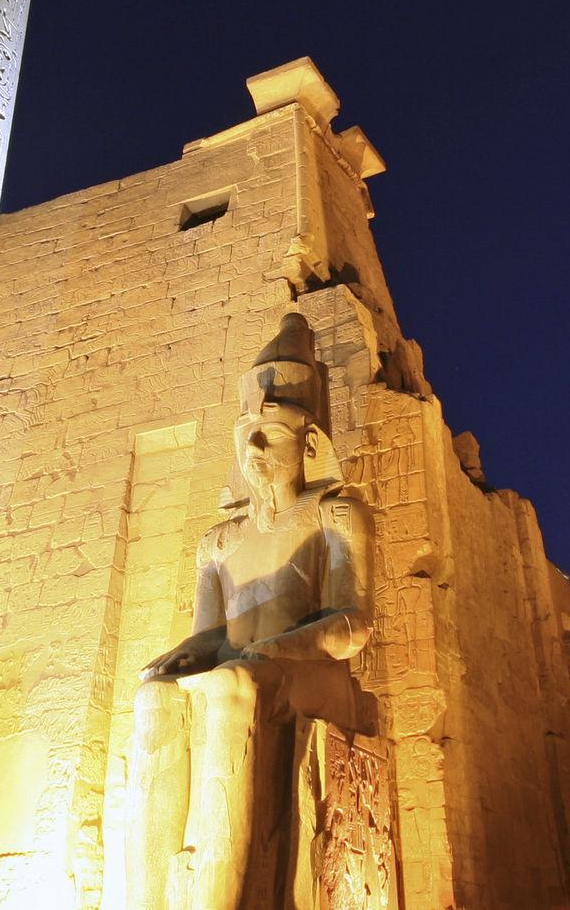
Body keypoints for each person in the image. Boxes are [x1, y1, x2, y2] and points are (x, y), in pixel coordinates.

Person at [125, 310, 373, 910]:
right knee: (153, 697)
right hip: (254, 664)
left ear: (310, 443)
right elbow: (208, 635)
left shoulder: (335, 516)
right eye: (247, 439)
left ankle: (223, 896)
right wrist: (180, 657)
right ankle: (147, 895)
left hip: (313, 674)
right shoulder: (217, 540)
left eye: (272, 436)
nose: (255, 449)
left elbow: (353, 624)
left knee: (234, 685)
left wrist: (277, 649)